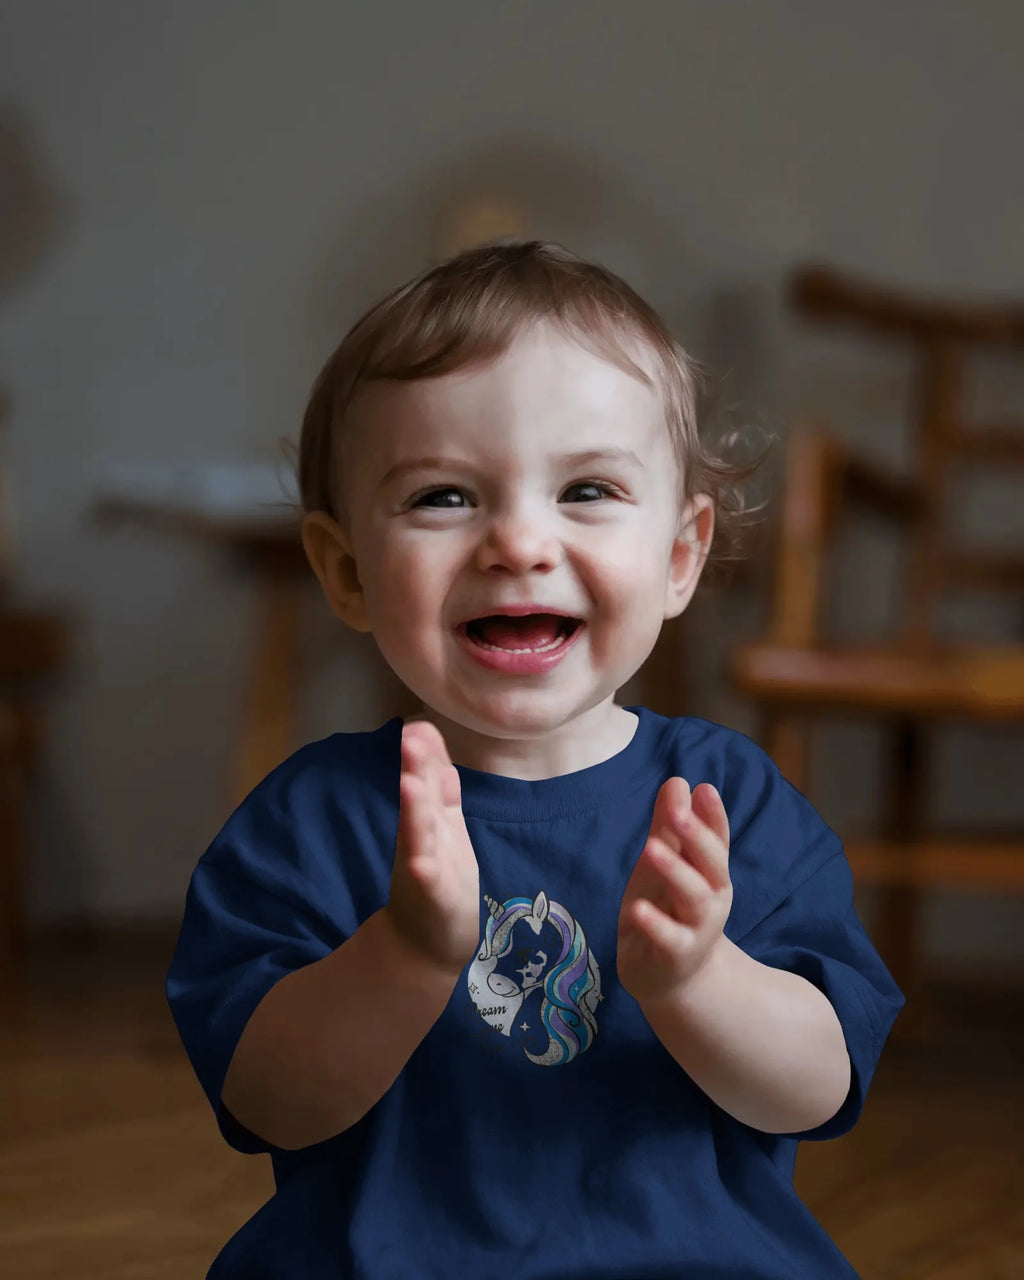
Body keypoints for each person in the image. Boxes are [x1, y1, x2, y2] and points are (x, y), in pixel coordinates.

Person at [166, 240, 904, 1279]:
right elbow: (266, 1100)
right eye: (443, 497)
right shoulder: (311, 818)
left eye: (588, 488)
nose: (517, 540)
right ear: (345, 570)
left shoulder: (726, 802)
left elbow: (816, 1088)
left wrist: (700, 976)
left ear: (680, 555)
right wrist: (408, 951)